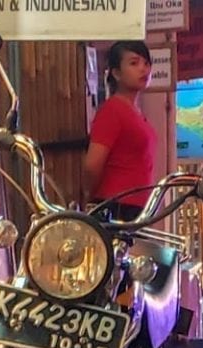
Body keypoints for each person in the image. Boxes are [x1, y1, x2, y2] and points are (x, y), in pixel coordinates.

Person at [82, 41, 157, 221]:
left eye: (146, 63)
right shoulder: (112, 110)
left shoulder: (136, 112)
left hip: (137, 206)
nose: (143, 69)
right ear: (116, 73)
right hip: (116, 205)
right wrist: (91, 199)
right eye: (134, 63)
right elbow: (92, 165)